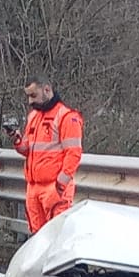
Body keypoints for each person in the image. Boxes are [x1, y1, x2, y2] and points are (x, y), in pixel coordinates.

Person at [13, 78, 83, 232]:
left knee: (55, 237)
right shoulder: (34, 117)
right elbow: (28, 149)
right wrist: (17, 141)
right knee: (37, 239)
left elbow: (73, 154)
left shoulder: (66, 117)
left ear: (47, 90)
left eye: (33, 95)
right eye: (28, 96)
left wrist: (59, 186)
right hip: (34, 188)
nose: (30, 101)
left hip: (53, 187)